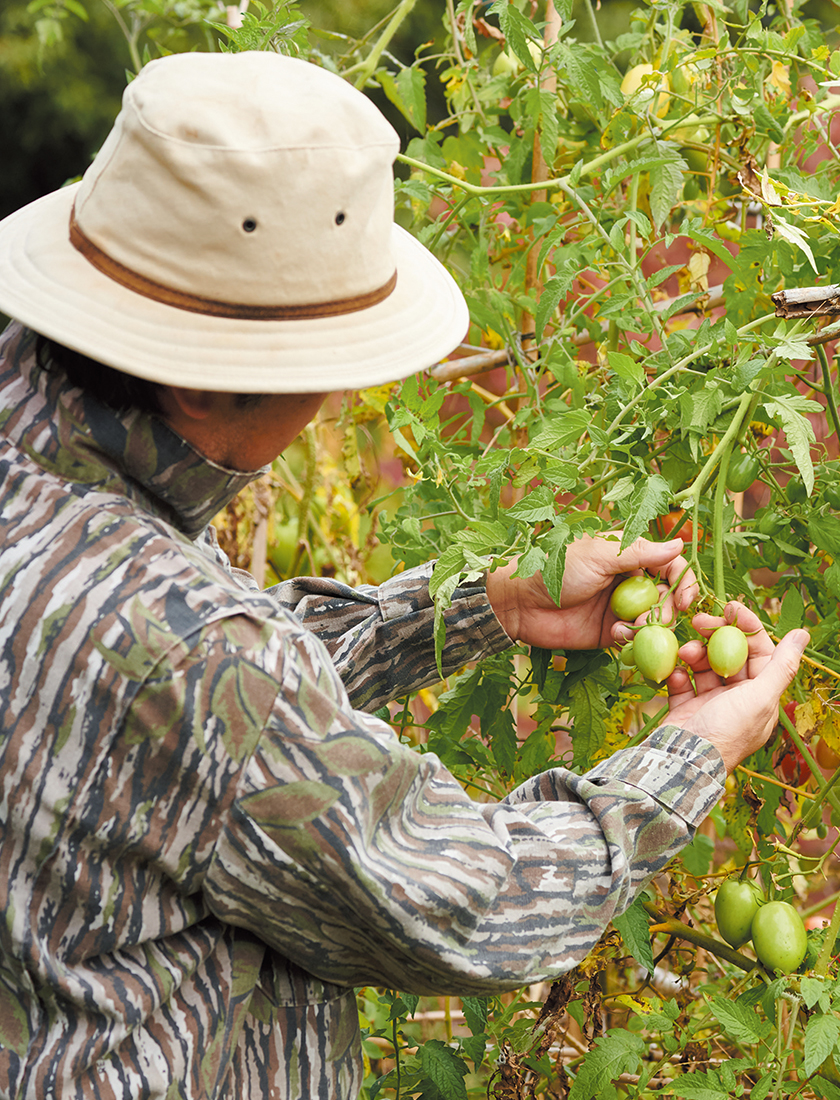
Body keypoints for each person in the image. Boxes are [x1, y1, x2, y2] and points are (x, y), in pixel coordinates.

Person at [0, 50, 807, 1100]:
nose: (335, 401)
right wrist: (686, 757)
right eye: (323, 370)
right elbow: (470, 907)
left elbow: (145, 712)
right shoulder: (184, 649)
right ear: (204, 383)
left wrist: (480, 602)